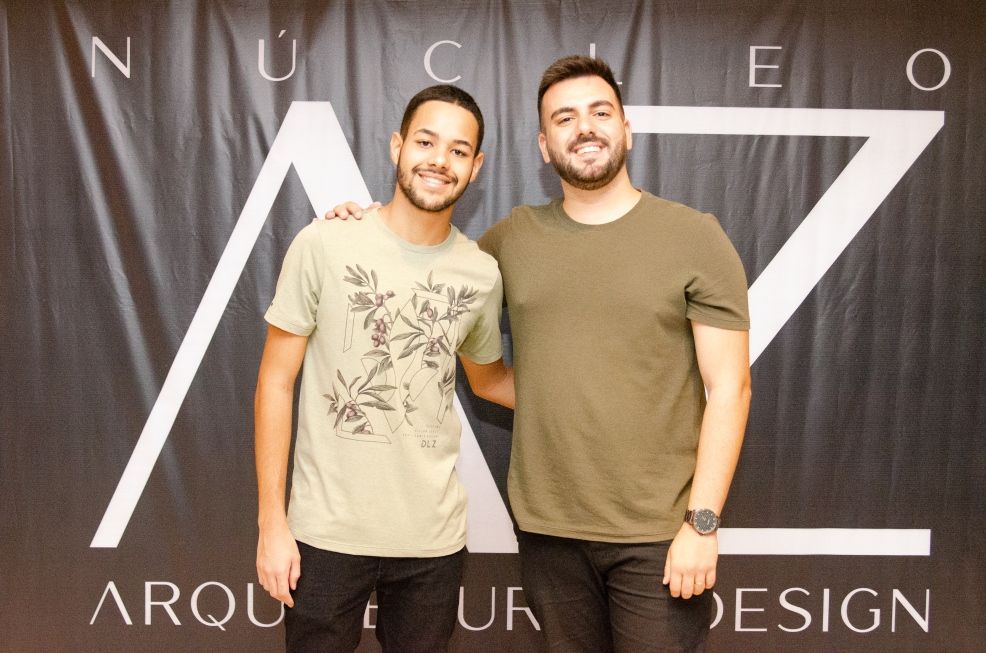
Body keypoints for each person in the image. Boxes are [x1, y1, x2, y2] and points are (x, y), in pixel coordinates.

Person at [328, 56, 751, 653]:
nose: (585, 127)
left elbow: (729, 389)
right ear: (544, 145)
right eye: (564, 117)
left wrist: (701, 524)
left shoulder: (694, 237)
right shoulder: (512, 240)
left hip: (658, 534)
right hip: (548, 533)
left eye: (600, 112)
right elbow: (429, 260)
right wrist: (368, 221)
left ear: (626, 129)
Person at [255, 84, 514, 652]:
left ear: (476, 166)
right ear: (398, 146)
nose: (439, 161)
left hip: (432, 543)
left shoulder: (480, 274)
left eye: (458, 150)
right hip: (324, 535)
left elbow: (488, 380)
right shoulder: (324, 243)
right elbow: (276, 382)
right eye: (426, 141)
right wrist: (272, 523)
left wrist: (592, 394)